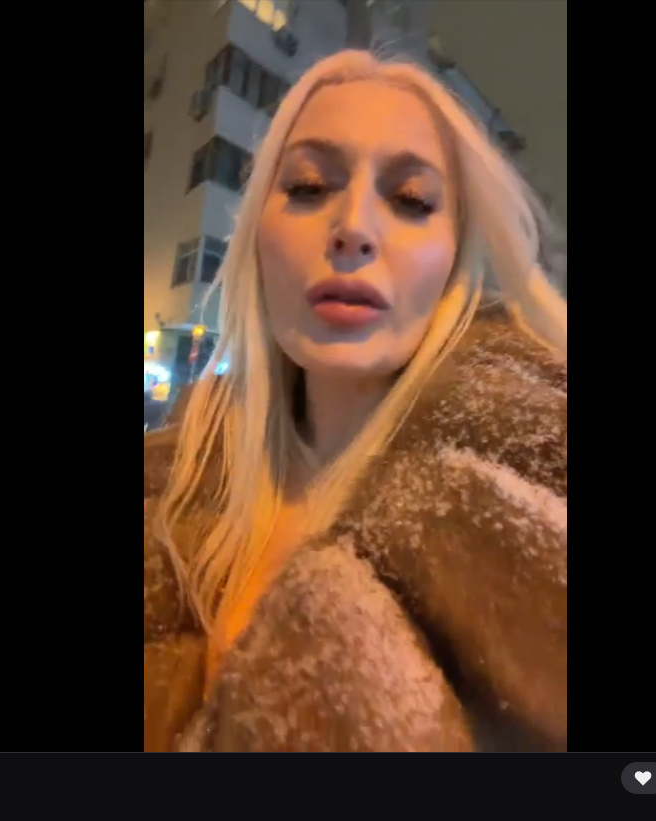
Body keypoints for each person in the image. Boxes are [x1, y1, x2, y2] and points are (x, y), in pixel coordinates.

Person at [143, 49, 567, 751]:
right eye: (309, 186)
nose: (354, 229)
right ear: (256, 236)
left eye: (411, 200)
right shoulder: (169, 495)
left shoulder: (535, 509)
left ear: (454, 257)